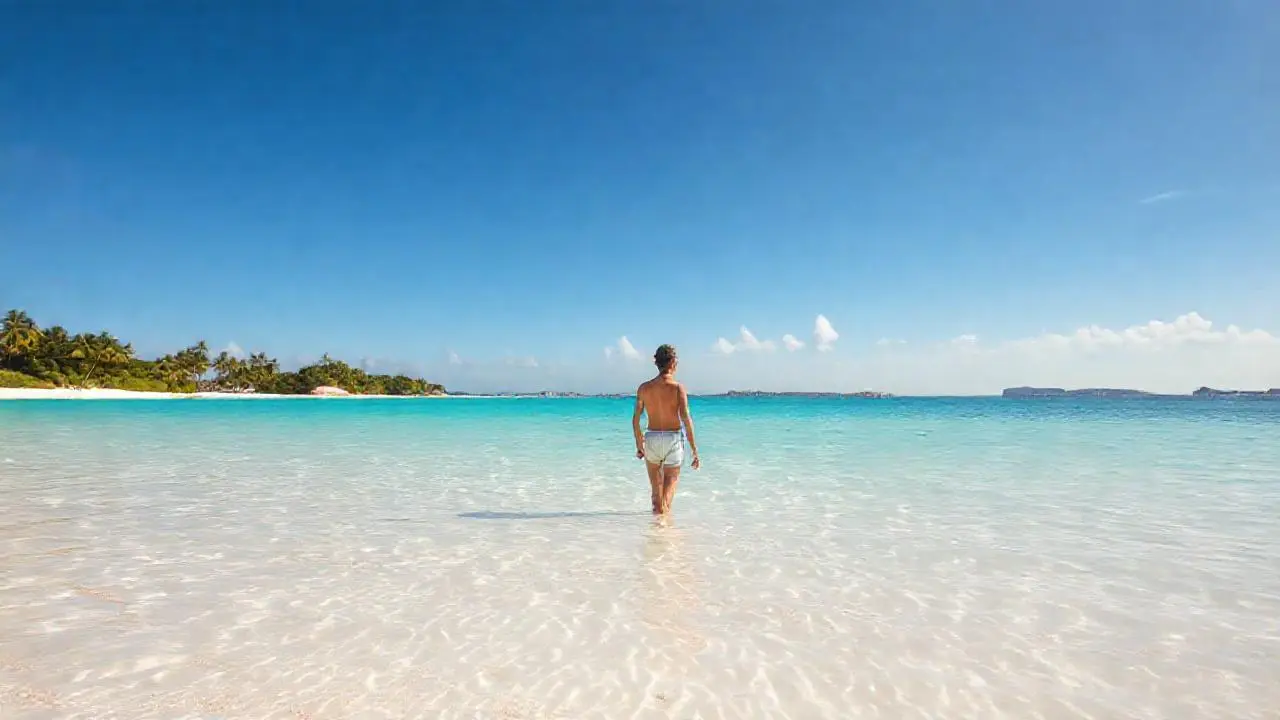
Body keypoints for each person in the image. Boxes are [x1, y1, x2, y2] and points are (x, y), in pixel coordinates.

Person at [632, 344, 700, 514]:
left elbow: (636, 419)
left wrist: (639, 443)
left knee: (656, 495)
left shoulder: (644, 388)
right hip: (673, 439)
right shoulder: (678, 388)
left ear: (657, 363)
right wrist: (694, 449)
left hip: (652, 439)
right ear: (673, 362)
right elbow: (686, 419)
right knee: (668, 494)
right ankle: (664, 527)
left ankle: (656, 525)